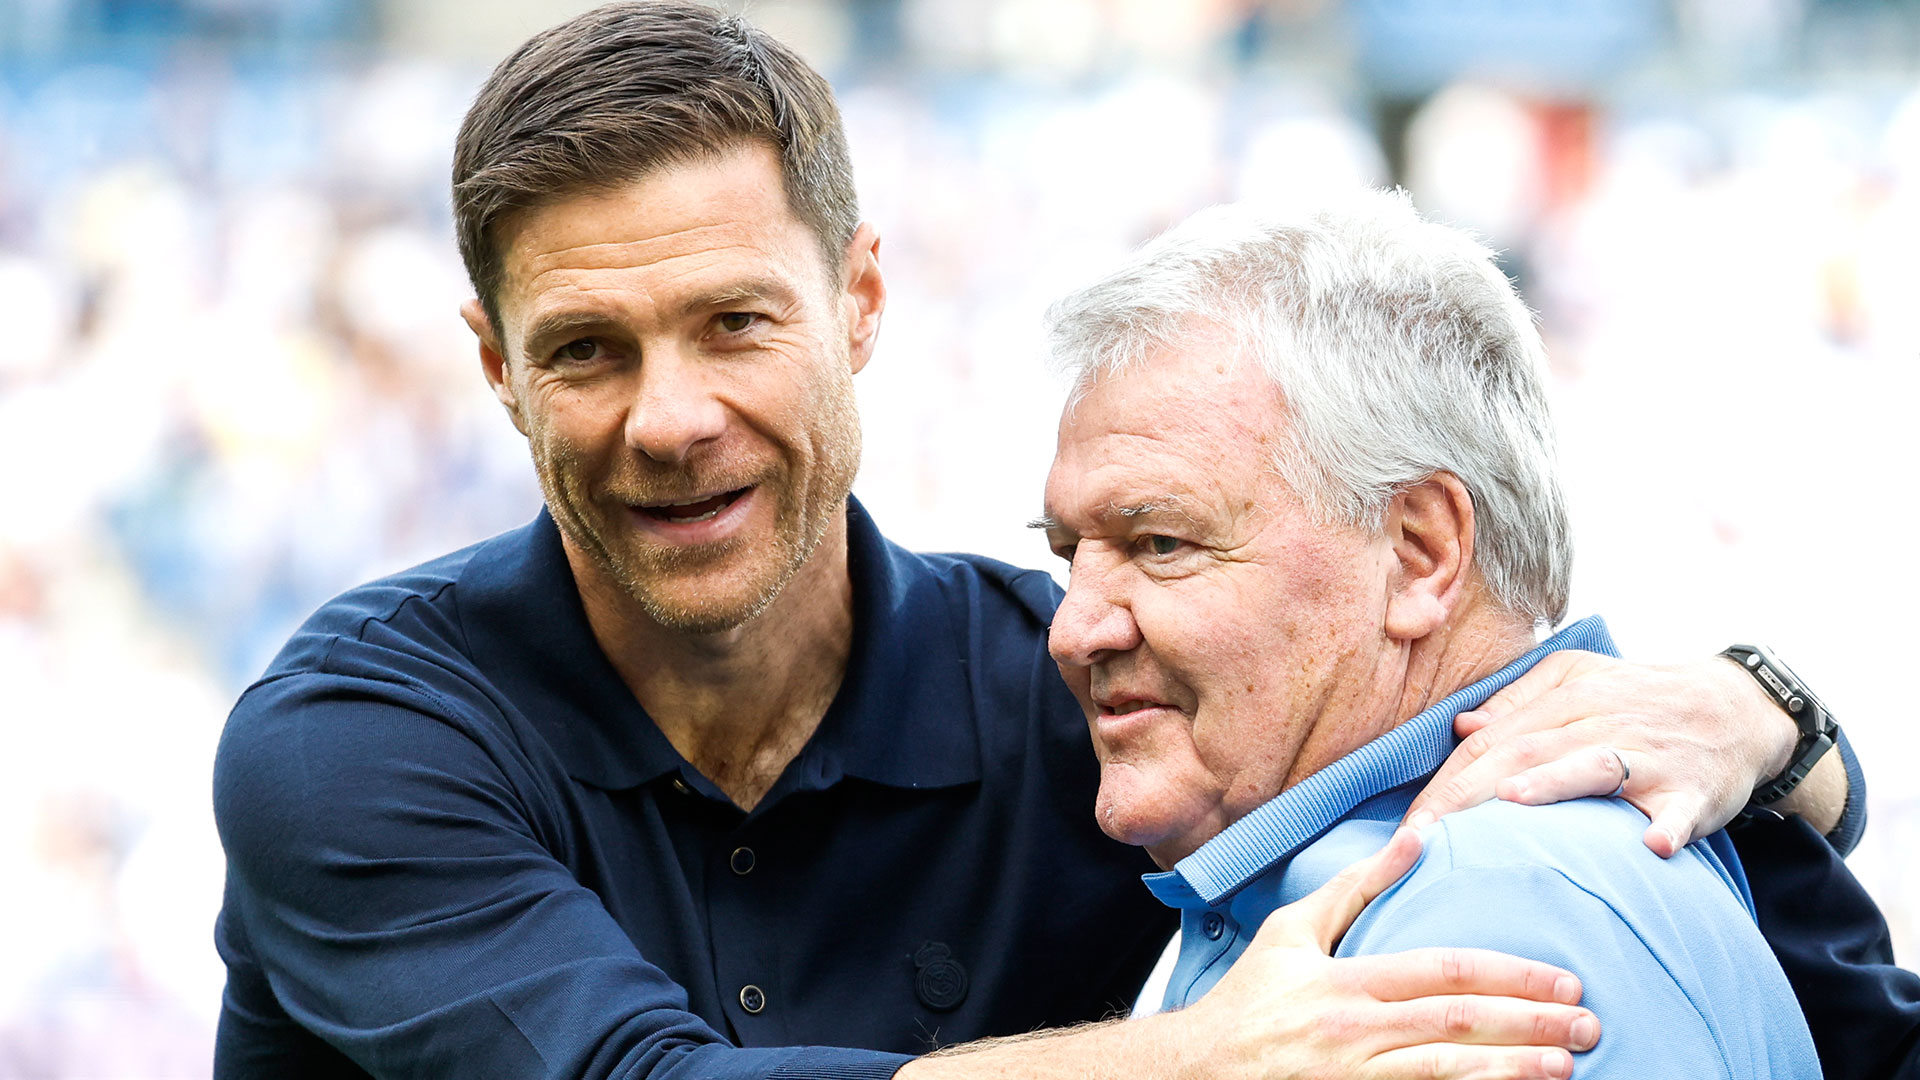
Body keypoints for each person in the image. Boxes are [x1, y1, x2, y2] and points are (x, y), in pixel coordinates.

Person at [209, 4, 1915, 1079]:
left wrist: (1770, 725)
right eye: (587, 349)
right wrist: (1192, 1062)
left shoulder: (1093, 706)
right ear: (494, 366)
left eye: (735, 322)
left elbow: (1798, 993)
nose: (668, 417)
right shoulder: (353, 742)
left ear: (860, 303)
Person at [1035, 192, 1896, 1076]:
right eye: (1068, 554)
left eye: (1162, 543)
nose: (1072, 628)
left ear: (1420, 554)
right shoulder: (1428, 889)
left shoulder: (1486, 912)